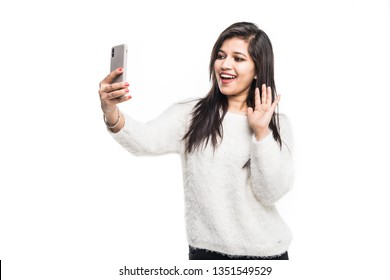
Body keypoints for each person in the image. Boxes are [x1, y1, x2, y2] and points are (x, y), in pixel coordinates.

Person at [98, 22, 294, 260]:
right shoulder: (190, 115)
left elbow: (271, 192)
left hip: (267, 255)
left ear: (257, 69)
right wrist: (110, 111)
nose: (225, 64)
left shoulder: (278, 124)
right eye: (221, 56)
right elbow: (144, 141)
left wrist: (261, 133)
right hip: (206, 253)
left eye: (238, 58)